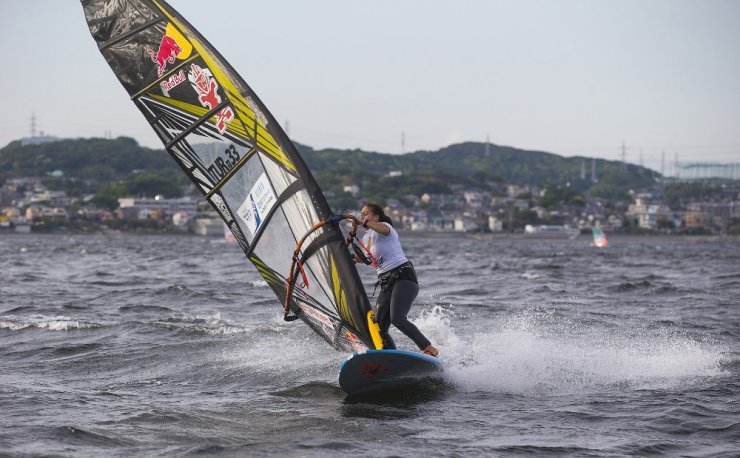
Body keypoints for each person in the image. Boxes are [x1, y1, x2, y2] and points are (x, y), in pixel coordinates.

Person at [351, 202, 439, 357]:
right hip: (386, 283)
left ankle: (429, 348)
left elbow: (383, 230)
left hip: (403, 277)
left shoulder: (385, 228)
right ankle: (390, 357)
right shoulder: (366, 238)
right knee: (379, 328)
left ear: (376, 217)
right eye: (361, 213)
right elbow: (364, 259)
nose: (362, 216)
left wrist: (364, 223)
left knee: (397, 318)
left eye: (365, 213)